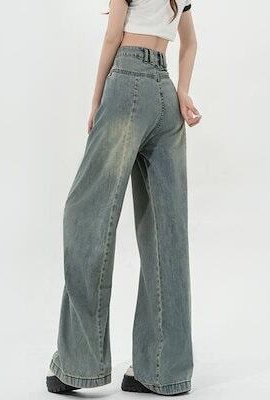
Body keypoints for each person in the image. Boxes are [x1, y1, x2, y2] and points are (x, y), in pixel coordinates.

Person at [46, 0, 201, 395]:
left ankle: (78, 364)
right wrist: (182, 92)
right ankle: (165, 371)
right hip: (166, 94)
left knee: (87, 215)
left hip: (127, 82)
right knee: (166, 231)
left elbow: (113, 36)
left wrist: (96, 99)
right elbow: (190, 42)